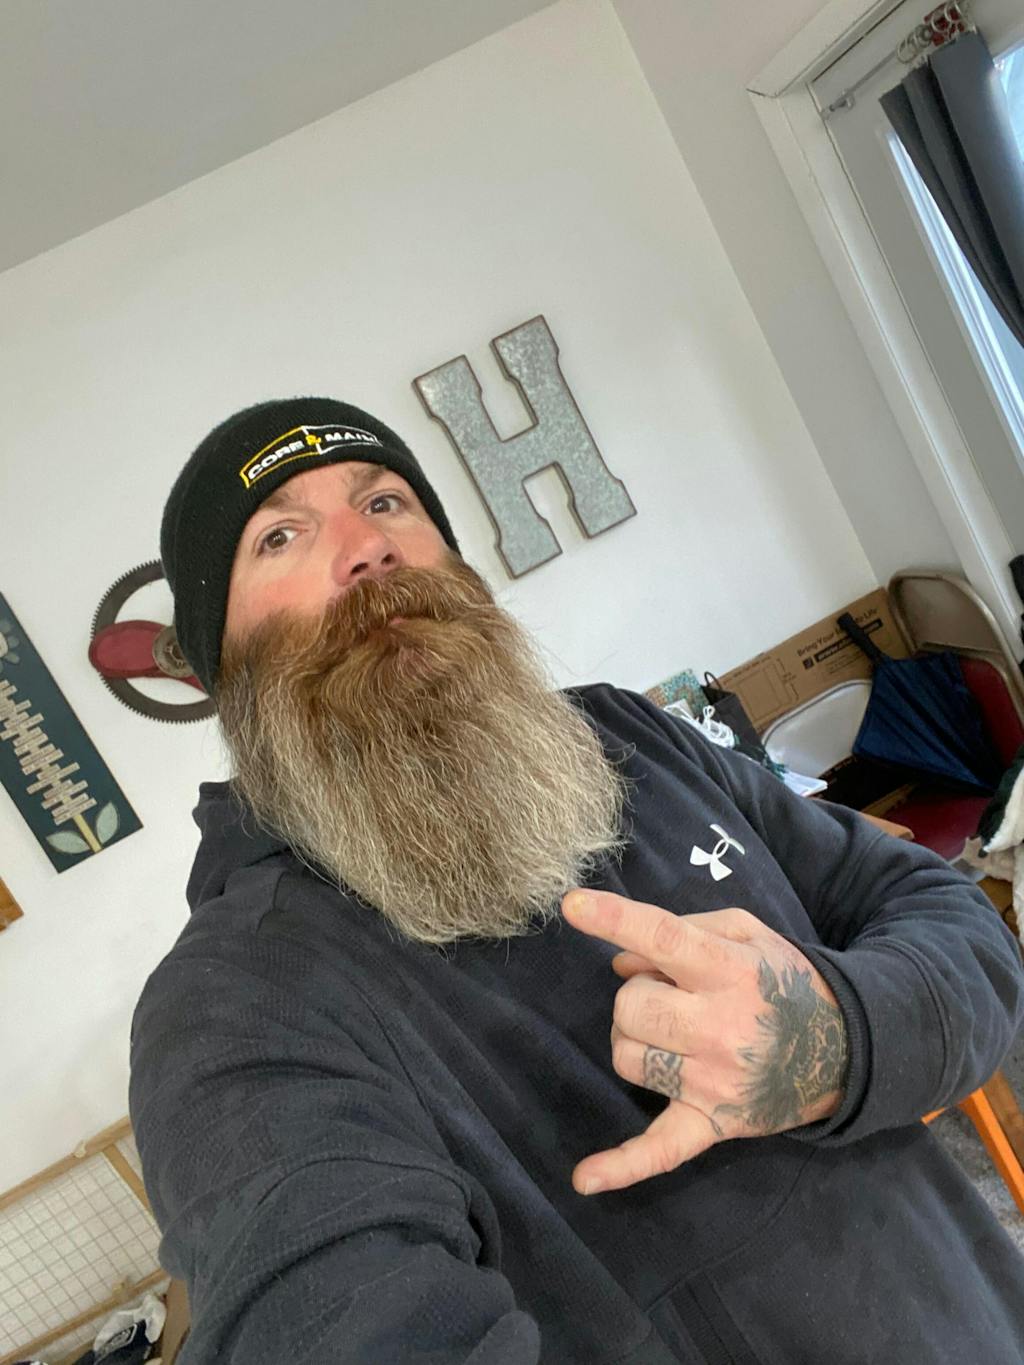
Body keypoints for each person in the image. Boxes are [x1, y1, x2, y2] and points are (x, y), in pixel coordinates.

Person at [130, 395, 1024, 1364]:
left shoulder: (626, 735)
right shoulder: (232, 1007)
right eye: (281, 536)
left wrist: (837, 1037)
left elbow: (956, 927)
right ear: (225, 664)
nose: (366, 547)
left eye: (385, 501)